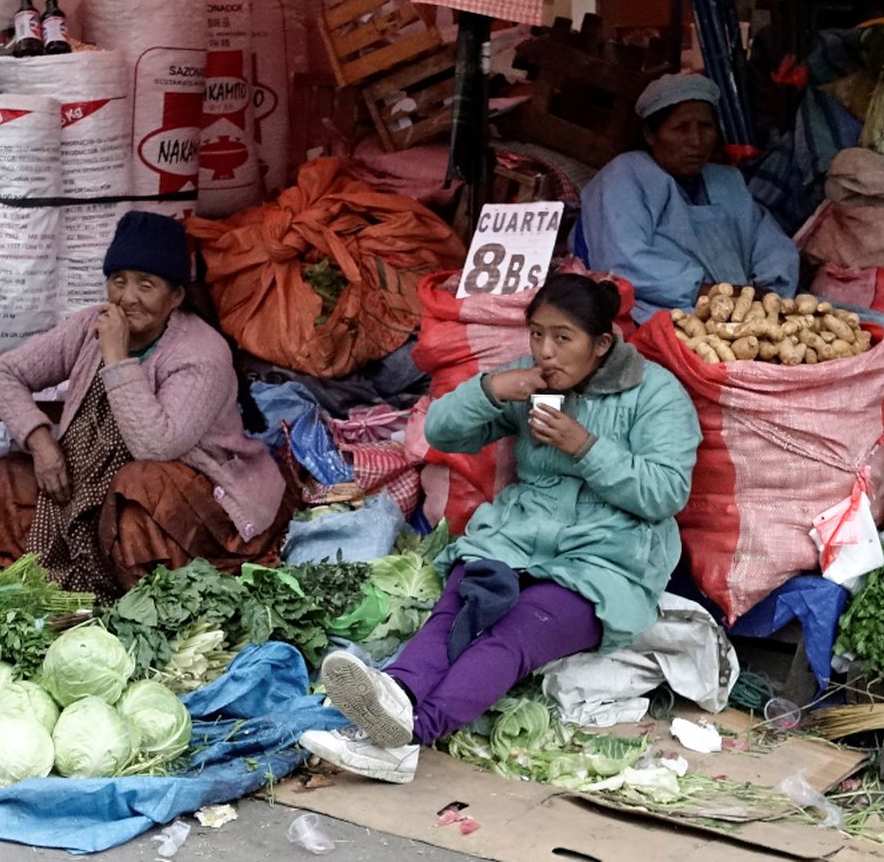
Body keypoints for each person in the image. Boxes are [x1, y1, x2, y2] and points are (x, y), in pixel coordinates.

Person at [298, 274, 701, 783]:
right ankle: (394, 697)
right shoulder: (527, 380)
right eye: (537, 334)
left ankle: (412, 733)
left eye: (562, 338)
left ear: (601, 345)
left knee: (508, 638)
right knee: (462, 608)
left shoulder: (656, 394)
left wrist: (585, 447)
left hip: (606, 560)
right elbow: (440, 431)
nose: (546, 352)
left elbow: (665, 493)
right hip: (517, 537)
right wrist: (491, 390)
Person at [0, 211, 293, 600]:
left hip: (189, 496)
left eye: (146, 286)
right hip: (84, 484)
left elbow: (156, 447)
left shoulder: (201, 354)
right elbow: (4, 374)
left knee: (138, 486)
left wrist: (116, 357)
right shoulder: (90, 326)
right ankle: (20, 597)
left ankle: (137, 605)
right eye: (118, 282)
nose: (127, 298)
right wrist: (40, 442)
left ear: (176, 297)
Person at [576, 72, 799, 322]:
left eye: (706, 127)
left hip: (744, 312)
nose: (696, 141)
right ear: (650, 134)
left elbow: (772, 244)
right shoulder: (624, 176)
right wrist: (707, 292)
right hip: (663, 313)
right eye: (681, 128)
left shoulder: (728, 181)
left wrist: (767, 293)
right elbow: (623, 260)